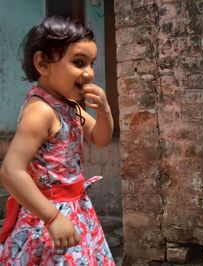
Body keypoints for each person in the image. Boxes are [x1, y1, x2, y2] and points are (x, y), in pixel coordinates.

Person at [0, 16, 115, 265]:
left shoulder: (69, 106)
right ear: (43, 63)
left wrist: (104, 111)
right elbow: (11, 171)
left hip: (76, 210)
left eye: (91, 63)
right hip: (49, 216)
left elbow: (101, 138)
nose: (89, 73)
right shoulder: (40, 111)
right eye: (78, 62)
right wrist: (52, 218)